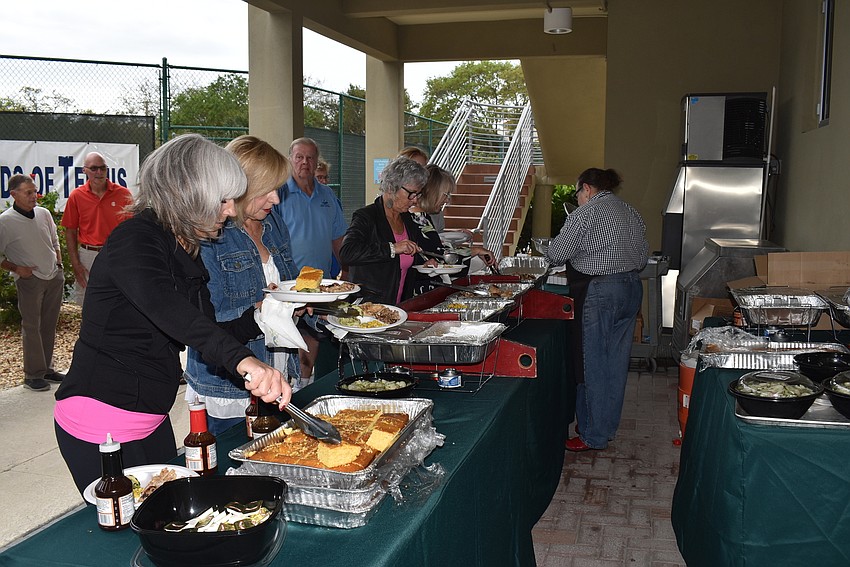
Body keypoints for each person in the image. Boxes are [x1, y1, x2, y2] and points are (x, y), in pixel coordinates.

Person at [53, 134, 291, 495]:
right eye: (223, 200)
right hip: (101, 423)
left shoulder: (186, 246)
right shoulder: (135, 238)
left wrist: (262, 316)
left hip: (150, 417)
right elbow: (169, 309)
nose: (230, 211)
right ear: (189, 194)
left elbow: (208, 329)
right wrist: (247, 363)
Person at [184, 135, 305, 435]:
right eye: (267, 191)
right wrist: (261, 313)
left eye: (278, 189)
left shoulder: (272, 221)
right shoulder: (211, 234)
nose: (276, 199)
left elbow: (287, 281)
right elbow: (205, 324)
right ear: (240, 187)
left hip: (277, 371)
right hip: (230, 385)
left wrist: (304, 302)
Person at [545, 168, 648, 452]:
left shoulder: (585, 214)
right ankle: (604, 427)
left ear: (587, 189)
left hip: (601, 291)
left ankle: (593, 435)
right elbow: (641, 257)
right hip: (631, 288)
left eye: (577, 193)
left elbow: (557, 254)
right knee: (615, 364)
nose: (577, 198)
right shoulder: (630, 212)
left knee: (593, 364)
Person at [274, 137, 348, 381]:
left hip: (321, 285)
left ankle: (304, 384)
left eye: (310, 157)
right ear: (290, 160)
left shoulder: (327, 196)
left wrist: (346, 270)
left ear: (317, 162)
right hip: (287, 285)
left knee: (313, 336)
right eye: (299, 157)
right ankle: (289, 384)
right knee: (286, 340)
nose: (305, 162)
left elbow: (338, 238)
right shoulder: (278, 195)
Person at [340, 157, 437, 305]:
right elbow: (347, 253)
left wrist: (423, 265)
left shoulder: (408, 220)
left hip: (400, 306)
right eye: (411, 194)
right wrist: (392, 248)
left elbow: (401, 265)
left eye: (418, 194)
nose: (415, 200)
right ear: (391, 188)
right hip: (369, 307)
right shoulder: (366, 216)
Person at [0, 174, 65, 392]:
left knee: (48, 324)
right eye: (28, 192)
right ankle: (33, 375)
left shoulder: (43, 213)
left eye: (34, 191)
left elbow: (54, 239)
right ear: (14, 194)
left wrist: (59, 265)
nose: (34, 196)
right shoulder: (5, 222)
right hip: (30, 280)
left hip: (53, 276)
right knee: (32, 326)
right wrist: (17, 269)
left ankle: (46, 368)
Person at [410, 165, 497, 294]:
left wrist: (475, 251)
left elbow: (436, 251)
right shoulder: (417, 218)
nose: (447, 200)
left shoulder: (421, 217)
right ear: (433, 192)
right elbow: (440, 257)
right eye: (445, 194)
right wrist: (474, 251)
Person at [61, 152, 133, 306]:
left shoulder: (123, 194)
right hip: (88, 256)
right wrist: (76, 264)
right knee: (88, 303)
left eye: (102, 168)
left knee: (117, 300)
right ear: (84, 170)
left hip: (116, 254)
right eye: (94, 168)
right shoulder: (76, 196)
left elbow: (131, 230)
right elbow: (70, 231)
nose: (99, 173)